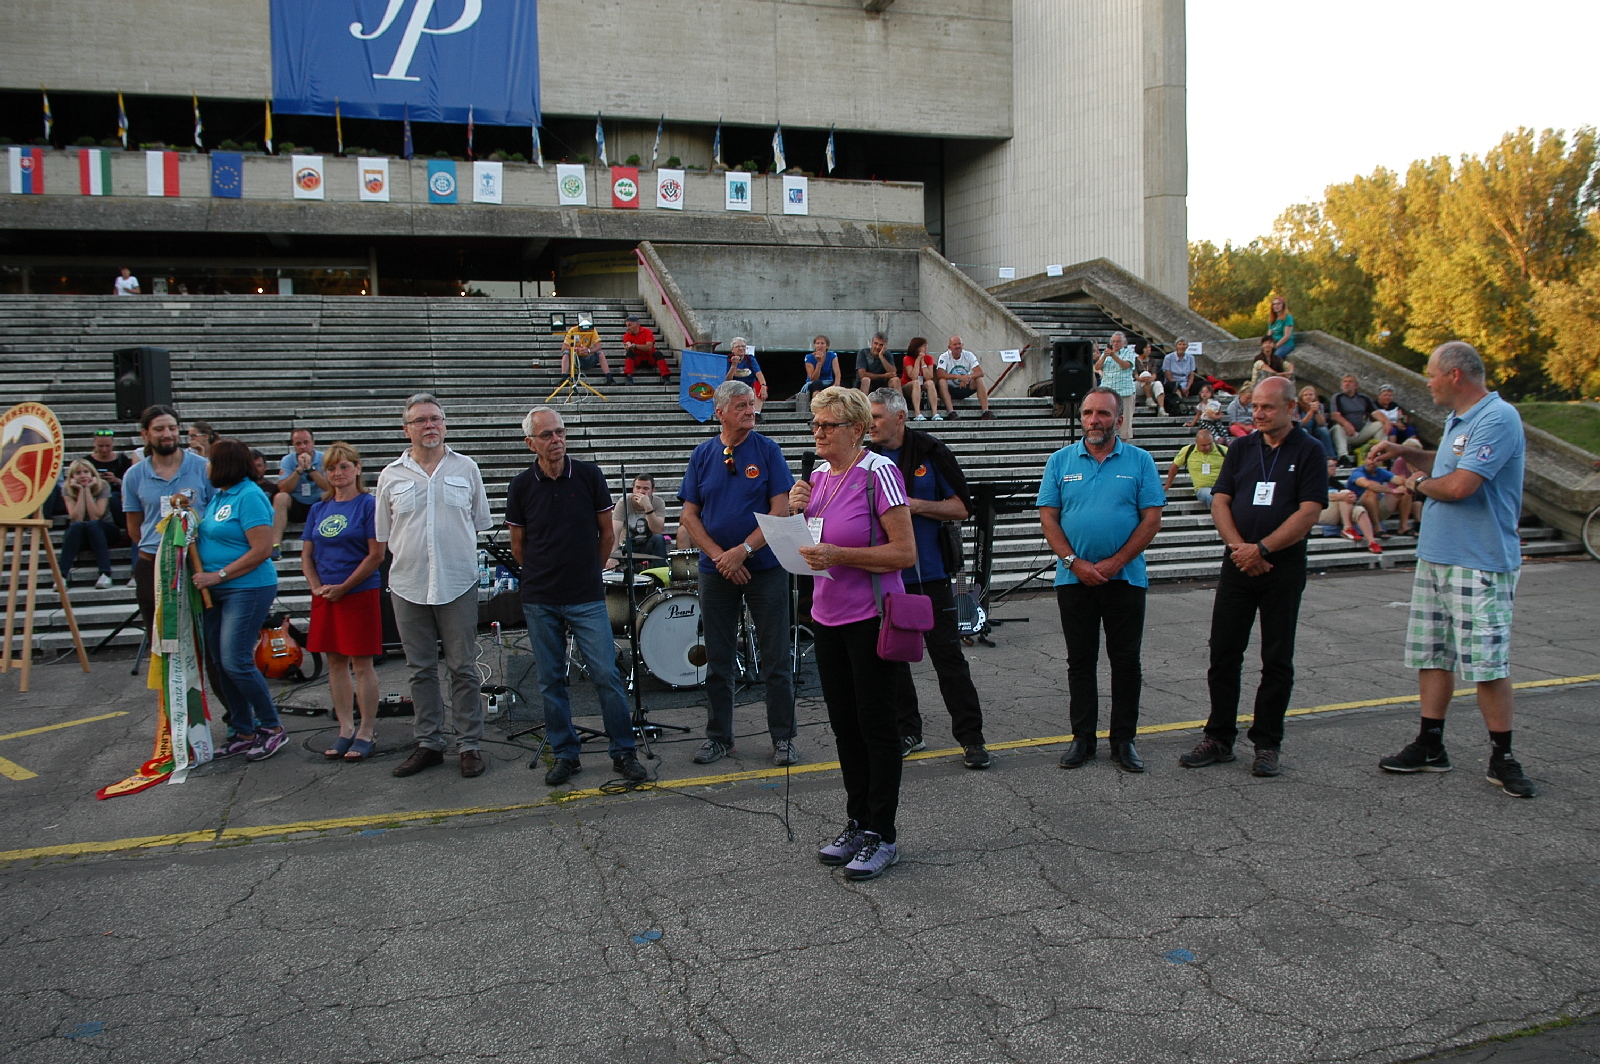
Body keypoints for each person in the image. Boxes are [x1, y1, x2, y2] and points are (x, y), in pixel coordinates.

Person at [1373, 342, 1534, 797]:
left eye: (1432, 374)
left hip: (1478, 561)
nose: (1428, 382)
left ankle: (1502, 756)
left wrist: (1418, 482)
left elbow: (1461, 485)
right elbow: (1448, 464)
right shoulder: (1459, 419)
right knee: (1432, 655)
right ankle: (1430, 744)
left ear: (1455, 375)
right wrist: (1402, 451)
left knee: (1487, 663)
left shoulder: (1497, 418)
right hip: (1438, 557)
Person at [789, 386, 916, 881]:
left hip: (871, 618)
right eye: (815, 424)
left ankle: (883, 834)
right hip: (827, 617)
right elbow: (812, 547)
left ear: (857, 429)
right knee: (844, 726)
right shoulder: (819, 476)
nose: (818, 433)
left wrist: (841, 556)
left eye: (828, 425)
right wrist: (795, 514)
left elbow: (904, 552)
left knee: (877, 727)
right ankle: (859, 823)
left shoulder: (879, 472)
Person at [1179, 377, 1327, 778]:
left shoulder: (1310, 450)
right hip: (1238, 563)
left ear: (1291, 408)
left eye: (1268, 407)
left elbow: (1309, 512)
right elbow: (1220, 500)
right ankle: (1219, 737)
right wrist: (1240, 549)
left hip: (1282, 566)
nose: (1258, 413)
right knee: (1224, 652)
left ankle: (1267, 742)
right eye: (1256, 406)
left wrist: (1262, 550)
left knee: (1277, 658)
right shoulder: (1242, 448)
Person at [506, 407, 646, 786]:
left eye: (560, 432)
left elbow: (607, 533)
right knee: (551, 679)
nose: (556, 440)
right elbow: (518, 545)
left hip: (585, 595)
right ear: (530, 443)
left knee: (605, 674)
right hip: (540, 598)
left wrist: (589, 572)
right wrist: (543, 575)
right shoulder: (521, 486)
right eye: (547, 435)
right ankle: (566, 753)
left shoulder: (588, 475)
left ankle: (624, 751)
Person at [1038, 386, 1165, 773]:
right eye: (1088, 413)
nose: (1095, 420)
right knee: (1080, 662)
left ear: (1119, 419)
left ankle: (1124, 741)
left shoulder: (1140, 461)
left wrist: (1116, 562)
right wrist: (1074, 562)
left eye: (1104, 414)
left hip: (1125, 579)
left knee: (1125, 662)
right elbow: (1049, 519)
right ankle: (1083, 739)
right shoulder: (1060, 461)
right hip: (1073, 579)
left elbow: (1151, 520)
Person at [676, 380, 799, 766]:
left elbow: (781, 509)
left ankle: (783, 738)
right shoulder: (702, 454)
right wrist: (721, 558)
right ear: (720, 412)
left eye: (752, 404)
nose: (751, 411)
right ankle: (719, 737)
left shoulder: (768, 450)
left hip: (765, 568)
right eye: (742, 406)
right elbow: (689, 516)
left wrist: (742, 551)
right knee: (718, 657)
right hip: (717, 572)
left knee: (776, 657)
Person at [866, 387, 990, 768]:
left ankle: (971, 738)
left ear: (900, 418)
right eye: (868, 417)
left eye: (877, 417)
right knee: (893, 659)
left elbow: (962, 507)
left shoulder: (931, 452)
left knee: (948, 659)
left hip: (930, 575)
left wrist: (913, 506)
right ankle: (909, 731)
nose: (870, 424)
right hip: (886, 576)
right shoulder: (865, 458)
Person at [378, 393, 495, 780]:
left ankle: (469, 745)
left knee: (463, 667)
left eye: (436, 419)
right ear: (406, 429)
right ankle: (428, 743)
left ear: (444, 425)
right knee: (420, 669)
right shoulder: (390, 475)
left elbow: (479, 521)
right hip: (408, 583)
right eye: (420, 420)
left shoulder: (467, 468)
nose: (430, 425)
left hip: (457, 581)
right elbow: (384, 532)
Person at [191, 439, 285, 761]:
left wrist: (219, 575)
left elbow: (262, 549)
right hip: (217, 591)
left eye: (210, 460)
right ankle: (243, 730)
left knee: (236, 661)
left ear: (224, 464)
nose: (206, 466)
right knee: (221, 662)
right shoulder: (219, 497)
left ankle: (272, 727)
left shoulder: (249, 496)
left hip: (247, 588)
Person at [302, 441, 385, 762]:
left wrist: (345, 586)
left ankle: (366, 730)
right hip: (326, 594)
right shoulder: (318, 509)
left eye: (344, 466)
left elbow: (376, 555)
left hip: (358, 592)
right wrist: (316, 586)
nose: (338, 473)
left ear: (357, 468)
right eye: (331, 468)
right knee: (335, 662)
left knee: (361, 664)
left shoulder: (368, 505)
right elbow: (307, 554)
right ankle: (345, 728)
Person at [122, 405, 215, 630]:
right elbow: (134, 527)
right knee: (161, 635)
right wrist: (165, 551)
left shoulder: (203, 467)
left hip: (198, 561)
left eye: (172, 428)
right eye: (159, 429)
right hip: (153, 563)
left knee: (203, 632)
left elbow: (215, 513)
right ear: (145, 434)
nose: (167, 434)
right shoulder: (134, 475)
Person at [58, 459, 116, 589]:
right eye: (78, 473)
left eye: (86, 472)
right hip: (81, 532)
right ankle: (61, 576)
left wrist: (88, 490)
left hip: (105, 530)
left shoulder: (103, 485)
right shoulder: (67, 489)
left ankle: (105, 574)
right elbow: (77, 518)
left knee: (93, 524)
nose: (83, 475)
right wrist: (81, 491)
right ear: (72, 476)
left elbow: (96, 515)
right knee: (76, 526)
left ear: (92, 473)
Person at [272, 427, 330, 556]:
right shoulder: (288, 460)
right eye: (298, 444)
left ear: (313, 443)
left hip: (318, 503)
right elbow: (283, 488)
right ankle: (275, 544)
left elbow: (329, 487)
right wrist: (299, 469)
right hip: (297, 504)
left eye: (306, 442)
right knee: (280, 497)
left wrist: (310, 469)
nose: (303, 447)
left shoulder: (324, 459)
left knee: (329, 496)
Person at [1347, 451, 1415, 538]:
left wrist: (1412, 480)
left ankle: (1403, 527)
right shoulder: (1358, 472)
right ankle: (1377, 528)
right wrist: (1393, 490)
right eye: (1370, 459)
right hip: (1358, 509)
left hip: (1377, 507)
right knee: (1371, 492)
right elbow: (1367, 484)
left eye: (1376, 460)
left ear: (1380, 462)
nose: (1373, 462)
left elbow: (1401, 481)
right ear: (1365, 460)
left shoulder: (1380, 472)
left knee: (1405, 490)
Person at [610, 472, 667, 570]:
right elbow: (615, 531)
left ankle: (660, 574)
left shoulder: (658, 502)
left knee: (659, 539)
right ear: (633, 489)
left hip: (647, 544)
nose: (641, 492)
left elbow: (658, 531)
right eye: (638, 488)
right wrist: (612, 556)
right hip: (627, 546)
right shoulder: (624, 502)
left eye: (646, 489)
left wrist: (648, 507)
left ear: (652, 490)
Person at [1320, 456, 1380, 550]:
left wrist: (1353, 497)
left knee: (1360, 510)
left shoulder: (1336, 483)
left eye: (1335, 465)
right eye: (1332, 466)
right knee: (1345, 494)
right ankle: (1347, 528)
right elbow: (1318, 496)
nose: (1335, 468)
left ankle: (1372, 542)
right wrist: (1340, 496)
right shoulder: (1315, 482)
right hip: (1322, 512)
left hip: (1340, 514)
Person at [1329, 374, 1388, 465]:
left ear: (1356, 386)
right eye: (1345, 382)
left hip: (1360, 432)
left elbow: (1376, 413)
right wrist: (1347, 424)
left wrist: (1387, 422)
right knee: (1337, 428)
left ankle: (1379, 453)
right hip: (1345, 433)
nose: (1347, 384)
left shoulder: (1363, 398)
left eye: (1350, 382)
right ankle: (1343, 457)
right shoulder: (1337, 397)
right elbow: (1335, 415)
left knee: (1380, 425)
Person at [1163, 428, 1228, 509]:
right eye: (1204, 445)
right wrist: (1168, 484)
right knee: (1211, 496)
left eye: (1210, 444)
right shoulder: (1188, 450)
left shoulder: (1223, 450)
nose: (1207, 447)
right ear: (1197, 442)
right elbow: (1175, 466)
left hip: (1222, 487)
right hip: (1203, 488)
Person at [934, 334, 994, 420]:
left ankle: (985, 411)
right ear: (949, 347)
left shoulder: (969, 355)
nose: (957, 346)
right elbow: (939, 374)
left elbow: (980, 372)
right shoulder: (944, 357)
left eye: (959, 344)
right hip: (949, 390)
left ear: (962, 345)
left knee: (979, 379)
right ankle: (951, 412)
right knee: (942, 381)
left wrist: (967, 377)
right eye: (955, 344)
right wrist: (959, 377)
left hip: (964, 387)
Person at [85, 428, 132, 531]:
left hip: (117, 495)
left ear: (113, 444)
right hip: (95, 494)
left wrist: (116, 480)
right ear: (94, 444)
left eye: (107, 446)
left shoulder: (122, 459)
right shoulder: (87, 461)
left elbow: (131, 482)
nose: (104, 449)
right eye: (100, 446)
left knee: (113, 498)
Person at [1094, 332, 1138, 438]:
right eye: (1113, 341)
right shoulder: (1106, 354)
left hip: (1125, 391)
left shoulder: (1128, 353)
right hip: (1107, 391)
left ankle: (1124, 442)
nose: (1115, 343)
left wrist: (1114, 356)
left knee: (1126, 420)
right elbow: (1097, 367)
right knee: (1105, 417)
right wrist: (1104, 356)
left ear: (1124, 343)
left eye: (1118, 341)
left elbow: (1125, 365)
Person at [796, 334, 845, 412]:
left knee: (839, 386)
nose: (820, 346)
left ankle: (838, 410)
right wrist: (819, 363)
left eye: (822, 343)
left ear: (827, 346)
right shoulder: (809, 357)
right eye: (817, 343)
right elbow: (813, 378)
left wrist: (837, 383)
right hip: (814, 383)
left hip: (828, 382)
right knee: (817, 383)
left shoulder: (832, 355)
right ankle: (817, 409)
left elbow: (837, 371)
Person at [561, 315, 615, 386]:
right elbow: (564, 347)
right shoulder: (573, 330)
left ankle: (609, 377)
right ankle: (564, 377)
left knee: (600, 353)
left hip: (588, 356)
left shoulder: (592, 330)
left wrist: (588, 350)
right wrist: (577, 349)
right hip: (576, 358)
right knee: (566, 353)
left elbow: (598, 347)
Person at [722, 337, 768, 420]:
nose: (741, 348)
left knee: (759, 386)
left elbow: (758, 373)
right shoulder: (728, 360)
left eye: (743, 346)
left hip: (749, 385)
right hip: (735, 386)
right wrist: (733, 366)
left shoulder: (750, 359)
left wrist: (763, 386)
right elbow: (727, 380)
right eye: (738, 346)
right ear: (732, 349)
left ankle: (756, 413)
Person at [620, 314, 668, 385]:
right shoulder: (626, 335)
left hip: (649, 359)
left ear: (637, 324)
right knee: (629, 353)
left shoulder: (647, 332)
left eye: (629, 325)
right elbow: (628, 344)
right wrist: (629, 347)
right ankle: (629, 378)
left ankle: (666, 377)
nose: (628, 328)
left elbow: (649, 347)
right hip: (638, 360)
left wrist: (635, 346)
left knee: (658, 353)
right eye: (627, 325)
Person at [900, 337, 939, 421]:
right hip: (908, 385)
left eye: (926, 345)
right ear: (917, 348)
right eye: (923, 346)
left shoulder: (929, 358)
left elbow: (929, 377)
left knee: (930, 383)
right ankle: (917, 413)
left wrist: (923, 363)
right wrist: (918, 360)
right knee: (916, 382)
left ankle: (935, 413)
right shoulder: (907, 358)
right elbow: (913, 376)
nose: (926, 348)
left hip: (922, 384)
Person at [1295, 385, 1336, 458]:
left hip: (1315, 430)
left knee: (1323, 430)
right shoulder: (1297, 407)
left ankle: (1329, 456)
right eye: (1305, 395)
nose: (1308, 397)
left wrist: (1317, 412)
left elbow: (1322, 424)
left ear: (1315, 396)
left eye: (1311, 395)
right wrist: (1311, 412)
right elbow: (1300, 424)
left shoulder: (1319, 406)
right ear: (1301, 397)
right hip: (1303, 429)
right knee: (1303, 431)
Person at [1162, 338, 1197, 413]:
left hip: (1185, 382)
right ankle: (1181, 406)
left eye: (1184, 344)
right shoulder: (1168, 358)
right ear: (1176, 346)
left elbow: (1191, 374)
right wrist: (1180, 387)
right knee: (1176, 387)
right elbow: (1168, 375)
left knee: (1204, 384)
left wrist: (1188, 387)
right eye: (1180, 344)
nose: (1182, 346)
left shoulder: (1191, 358)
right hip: (1172, 382)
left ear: (1187, 346)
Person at [1133, 341, 1166, 416]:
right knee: (1145, 373)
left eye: (1149, 347)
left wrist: (1151, 378)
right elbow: (1136, 375)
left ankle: (1161, 409)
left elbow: (1154, 374)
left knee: (1158, 384)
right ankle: (1149, 399)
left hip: (1150, 382)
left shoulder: (1152, 360)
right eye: (1146, 347)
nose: (1149, 349)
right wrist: (1142, 379)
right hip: (1138, 384)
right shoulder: (1135, 360)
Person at [1267, 295, 1296, 361]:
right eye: (1274, 304)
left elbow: (1286, 336)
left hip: (1286, 344)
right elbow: (1269, 336)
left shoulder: (1288, 318)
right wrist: (1269, 345)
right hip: (1274, 344)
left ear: (1283, 305)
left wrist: (1276, 346)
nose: (1276, 306)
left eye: (1279, 304)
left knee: (1275, 356)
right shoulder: (1272, 319)